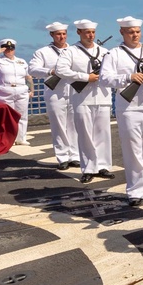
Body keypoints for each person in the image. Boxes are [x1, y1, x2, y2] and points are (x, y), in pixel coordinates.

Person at [99, 16, 143, 205]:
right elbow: (104, 78)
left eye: (137, 32)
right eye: (130, 32)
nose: (135, 35)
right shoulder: (114, 54)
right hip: (128, 107)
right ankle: (135, 189)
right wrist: (128, 77)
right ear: (122, 32)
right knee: (133, 150)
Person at [54, 19, 115, 183]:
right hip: (82, 97)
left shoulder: (105, 51)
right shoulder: (71, 51)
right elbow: (61, 70)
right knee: (85, 134)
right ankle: (89, 168)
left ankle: (103, 166)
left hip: (102, 96)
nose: (90, 35)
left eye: (93, 32)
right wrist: (85, 77)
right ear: (79, 32)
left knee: (103, 133)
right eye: (87, 32)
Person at [28, 22, 80, 170]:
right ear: (52, 35)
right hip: (55, 92)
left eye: (64, 34)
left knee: (74, 124)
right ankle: (63, 156)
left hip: (74, 90)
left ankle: (74, 155)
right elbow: (32, 69)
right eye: (58, 34)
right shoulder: (43, 52)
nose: (62, 37)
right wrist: (50, 72)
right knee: (59, 125)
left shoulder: (75, 50)